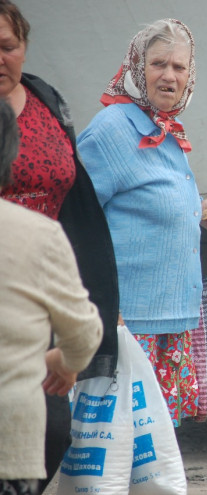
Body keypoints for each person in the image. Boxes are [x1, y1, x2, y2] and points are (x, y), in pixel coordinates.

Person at [76, 18, 207, 428]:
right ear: (135, 69)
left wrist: (200, 209)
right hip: (129, 321)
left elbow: (148, 203)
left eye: (179, 68)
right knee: (124, 442)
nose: (169, 76)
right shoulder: (113, 130)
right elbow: (75, 221)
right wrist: (102, 307)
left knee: (158, 446)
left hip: (170, 318)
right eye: (158, 64)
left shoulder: (164, 131)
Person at [0, 1, 120, 490]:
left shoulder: (45, 100)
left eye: (7, 46)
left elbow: (77, 198)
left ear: (25, 47)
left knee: (50, 432)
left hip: (42, 276)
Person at [0, 99, 103, 495]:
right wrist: (65, 361)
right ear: (10, 156)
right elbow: (84, 332)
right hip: (10, 445)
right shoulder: (38, 234)